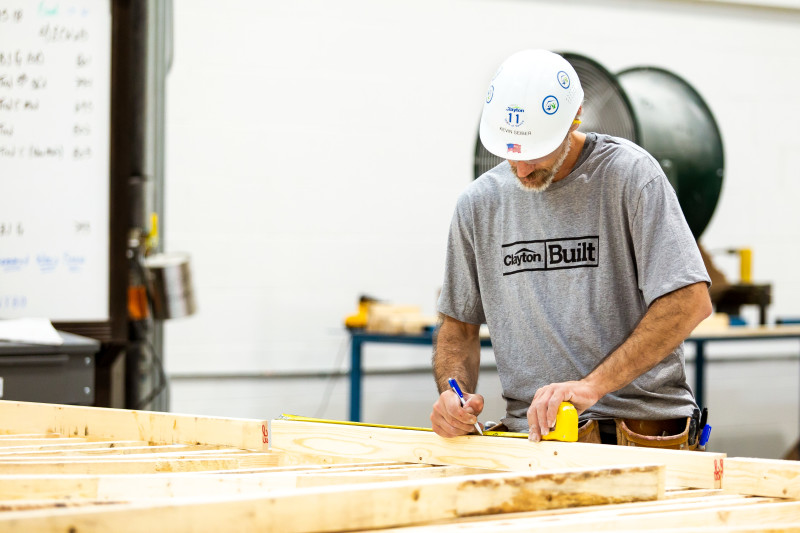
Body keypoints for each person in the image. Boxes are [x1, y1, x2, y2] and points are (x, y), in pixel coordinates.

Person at [430, 49, 712, 448]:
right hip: (533, 440)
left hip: (637, 434)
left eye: (535, 152)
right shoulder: (479, 203)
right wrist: (453, 392)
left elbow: (690, 301)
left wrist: (591, 387)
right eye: (512, 153)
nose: (522, 169)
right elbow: (457, 326)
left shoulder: (630, 177)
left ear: (574, 118)